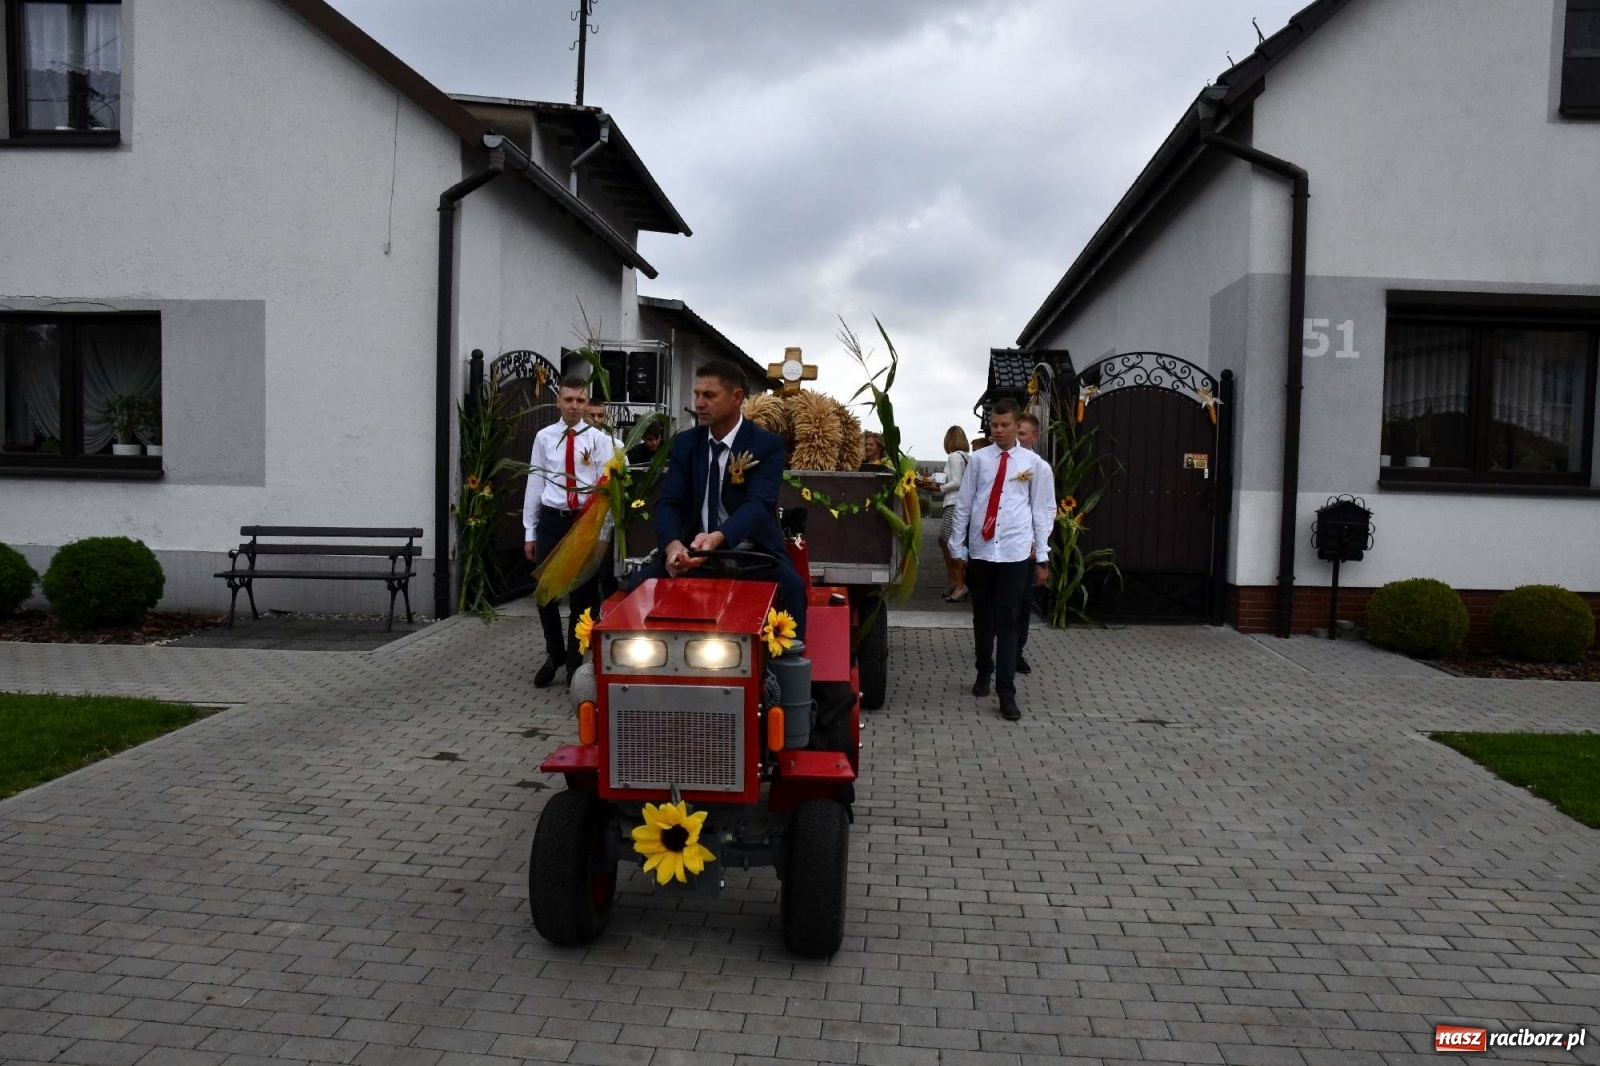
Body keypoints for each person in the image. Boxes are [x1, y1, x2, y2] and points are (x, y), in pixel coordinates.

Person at [629, 360, 808, 639]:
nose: (699, 403)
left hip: (753, 558)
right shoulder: (686, 443)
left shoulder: (766, 445)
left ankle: (789, 676)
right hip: (695, 556)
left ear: (736, 398)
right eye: (697, 394)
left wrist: (718, 538)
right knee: (633, 588)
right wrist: (673, 547)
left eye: (709, 395)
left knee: (794, 590)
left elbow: (758, 505)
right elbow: (669, 502)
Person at [948, 398, 1054, 721]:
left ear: (1016, 425)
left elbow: (1042, 509)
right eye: (994, 425)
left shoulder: (1035, 466)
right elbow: (965, 503)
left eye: (1004, 425)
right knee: (983, 616)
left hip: (1014, 552)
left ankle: (1006, 692)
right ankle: (984, 670)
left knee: (1008, 619)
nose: (999, 430)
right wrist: (958, 546)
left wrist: (1043, 555)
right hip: (982, 551)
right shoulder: (979, 461)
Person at [522, 376, 616, 687]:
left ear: (587, 403)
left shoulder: (601, 441)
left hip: (583, 522)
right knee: (545, 594)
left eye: (580, 400)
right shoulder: (544, 437)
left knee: (583, 596)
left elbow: (607, 489)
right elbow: (535, 483)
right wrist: (529, 531)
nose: (574, 406)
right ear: (559, 402)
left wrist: (601, 532)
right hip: (552, 519)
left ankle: (576, 660)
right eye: (568, 400)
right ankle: (555, 653)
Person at [1013, 412, 1044, 674]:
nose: (1017, 439)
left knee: (1022, 602)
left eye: (1022, 434)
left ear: (1034, 437)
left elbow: (1042, 509)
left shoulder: (1038, 467)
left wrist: (1038, 543)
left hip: (1027, 547)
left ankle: (1016, 650)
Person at [938, 425, 970, 603]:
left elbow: (956, 482)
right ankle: (955, 581)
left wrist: (939, 487)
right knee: (946, 541)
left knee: (950, 543)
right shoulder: (967, 458)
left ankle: (959, 583)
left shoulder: (953, 457)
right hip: (962, 504)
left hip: (953, 504)